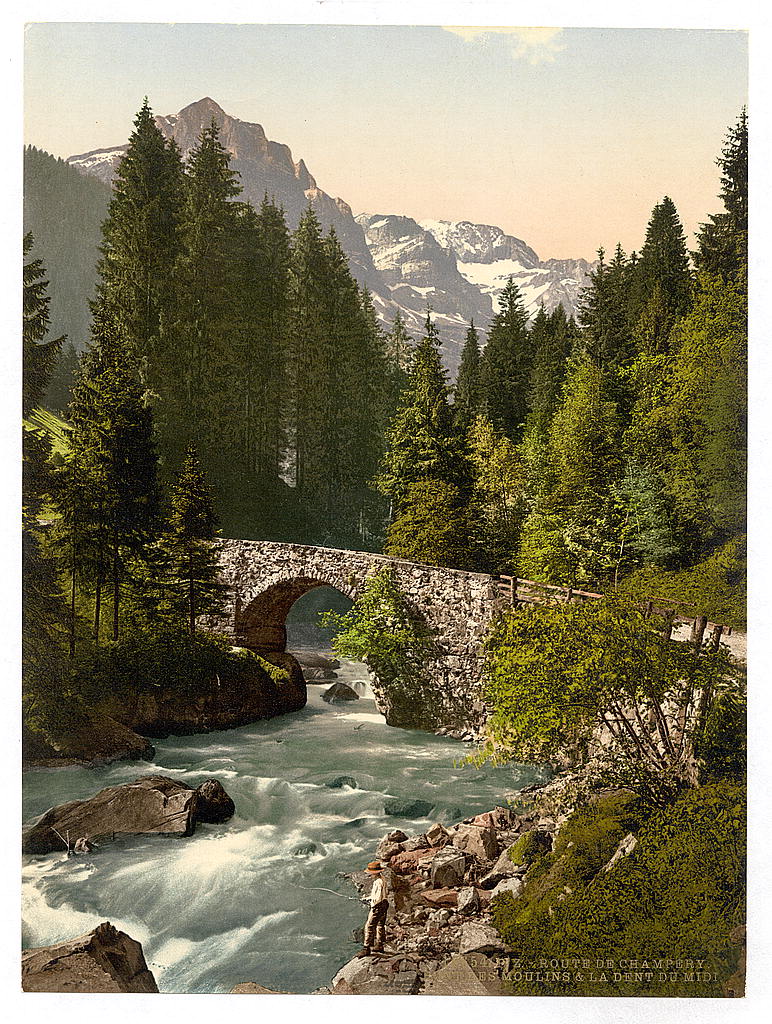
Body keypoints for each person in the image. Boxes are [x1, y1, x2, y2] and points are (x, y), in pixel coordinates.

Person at [359, 860, 389, 956]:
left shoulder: (378, 882)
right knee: (380, 925)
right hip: (385, 904)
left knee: (369, 926)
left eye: (370, 873)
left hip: (378, 906)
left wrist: (372, 903)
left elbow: (378, 897)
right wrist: (368, 898)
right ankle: (380, 944)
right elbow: (381, 895)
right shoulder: (382, 879)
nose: (370, 875)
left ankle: (366, 948)